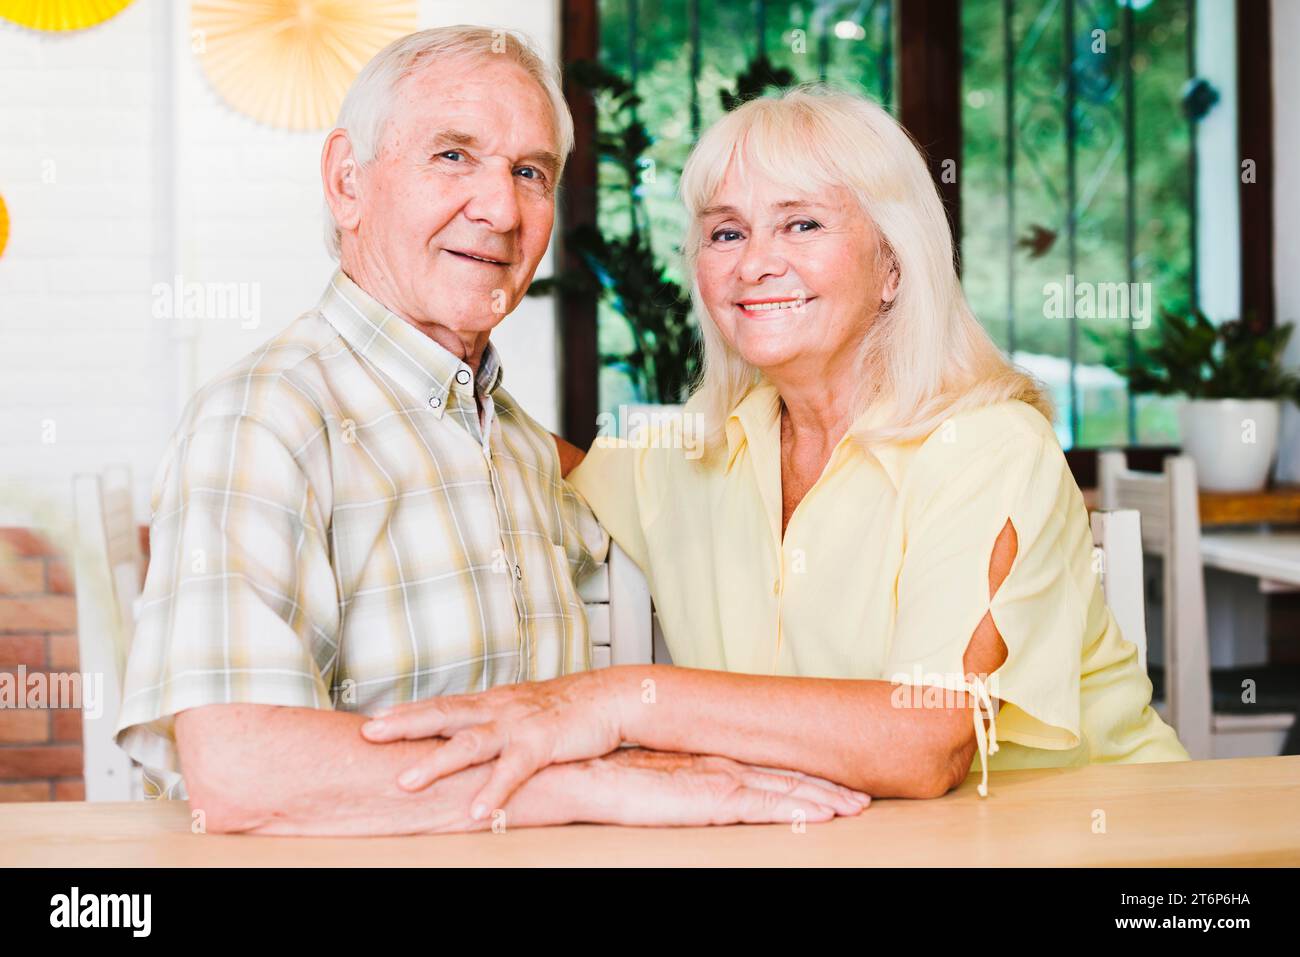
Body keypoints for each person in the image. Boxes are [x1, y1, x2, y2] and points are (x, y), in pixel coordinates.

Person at [115, 30, 868, 835]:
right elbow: (238, 770)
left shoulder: (510, 434)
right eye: (452, 156)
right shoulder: (264, 419)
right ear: (347, 182)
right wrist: (585, 787)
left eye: (530, 173)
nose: (501, 210)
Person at [363, 85, 1189, 816]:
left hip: (1116, 848)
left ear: (892, 264)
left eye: (802, 223)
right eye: (726, 233)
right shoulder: (710, 447)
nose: (757, 262)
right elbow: (542, 458)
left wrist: (620, 701)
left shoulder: (989, 444)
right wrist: (412, 349)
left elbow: (926, 739)